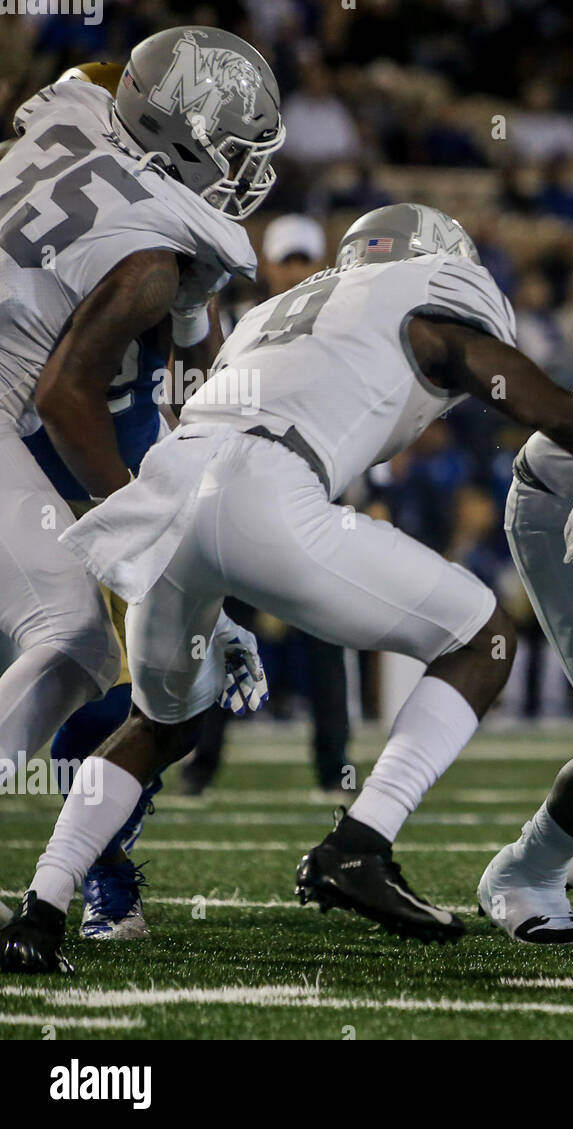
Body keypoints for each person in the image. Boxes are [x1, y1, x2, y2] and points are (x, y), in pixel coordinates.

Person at [0, 202, 573, 974]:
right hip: (266, 486)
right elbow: (561, 415)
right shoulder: (431, 306)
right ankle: (360, 842)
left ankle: (40, 909)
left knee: (156, 722)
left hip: (170, 492)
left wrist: (213, 593)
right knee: (482, 637)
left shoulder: (274, 310)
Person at [0, 28, 284, 933]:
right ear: (178, 142)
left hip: (37, 419)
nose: (245, 177)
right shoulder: (150, 257)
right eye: (232, 154)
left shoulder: (88, 98)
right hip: (37, 423)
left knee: (88, 644)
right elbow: (64, 393)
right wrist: (154, 536)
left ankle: (99, 865)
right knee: (75, 640)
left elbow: (185, 349)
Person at [184, 214, 354, 798]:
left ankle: (334, 769)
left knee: (328, 636)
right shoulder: (228, 328)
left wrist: (359, 500)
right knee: (216, 639)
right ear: (270, 264)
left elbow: (348, 429)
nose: (298, 271)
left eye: (307, 260)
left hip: (308, 503)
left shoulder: (338, 337)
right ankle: (199, 766)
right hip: (233, 503)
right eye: (290, 259)